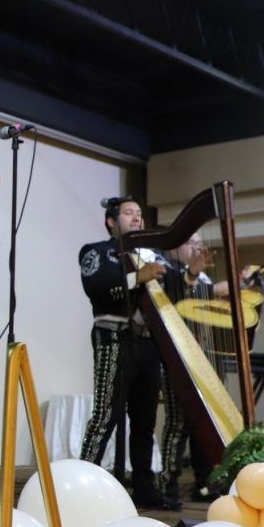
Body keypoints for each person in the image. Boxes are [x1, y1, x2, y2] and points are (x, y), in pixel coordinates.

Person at [78, 196, 174, 508]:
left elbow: (174, 292)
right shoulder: (96, 251)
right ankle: (81, 483)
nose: (136, 218)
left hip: (148, 342)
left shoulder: (152, 256)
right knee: (105, 415)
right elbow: (96, 285)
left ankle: (145, 487)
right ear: (111, 221)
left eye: (139, 214)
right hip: (114, 337)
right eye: (128, 213)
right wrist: (137, 277)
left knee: (145, 421)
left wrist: (187, 276)